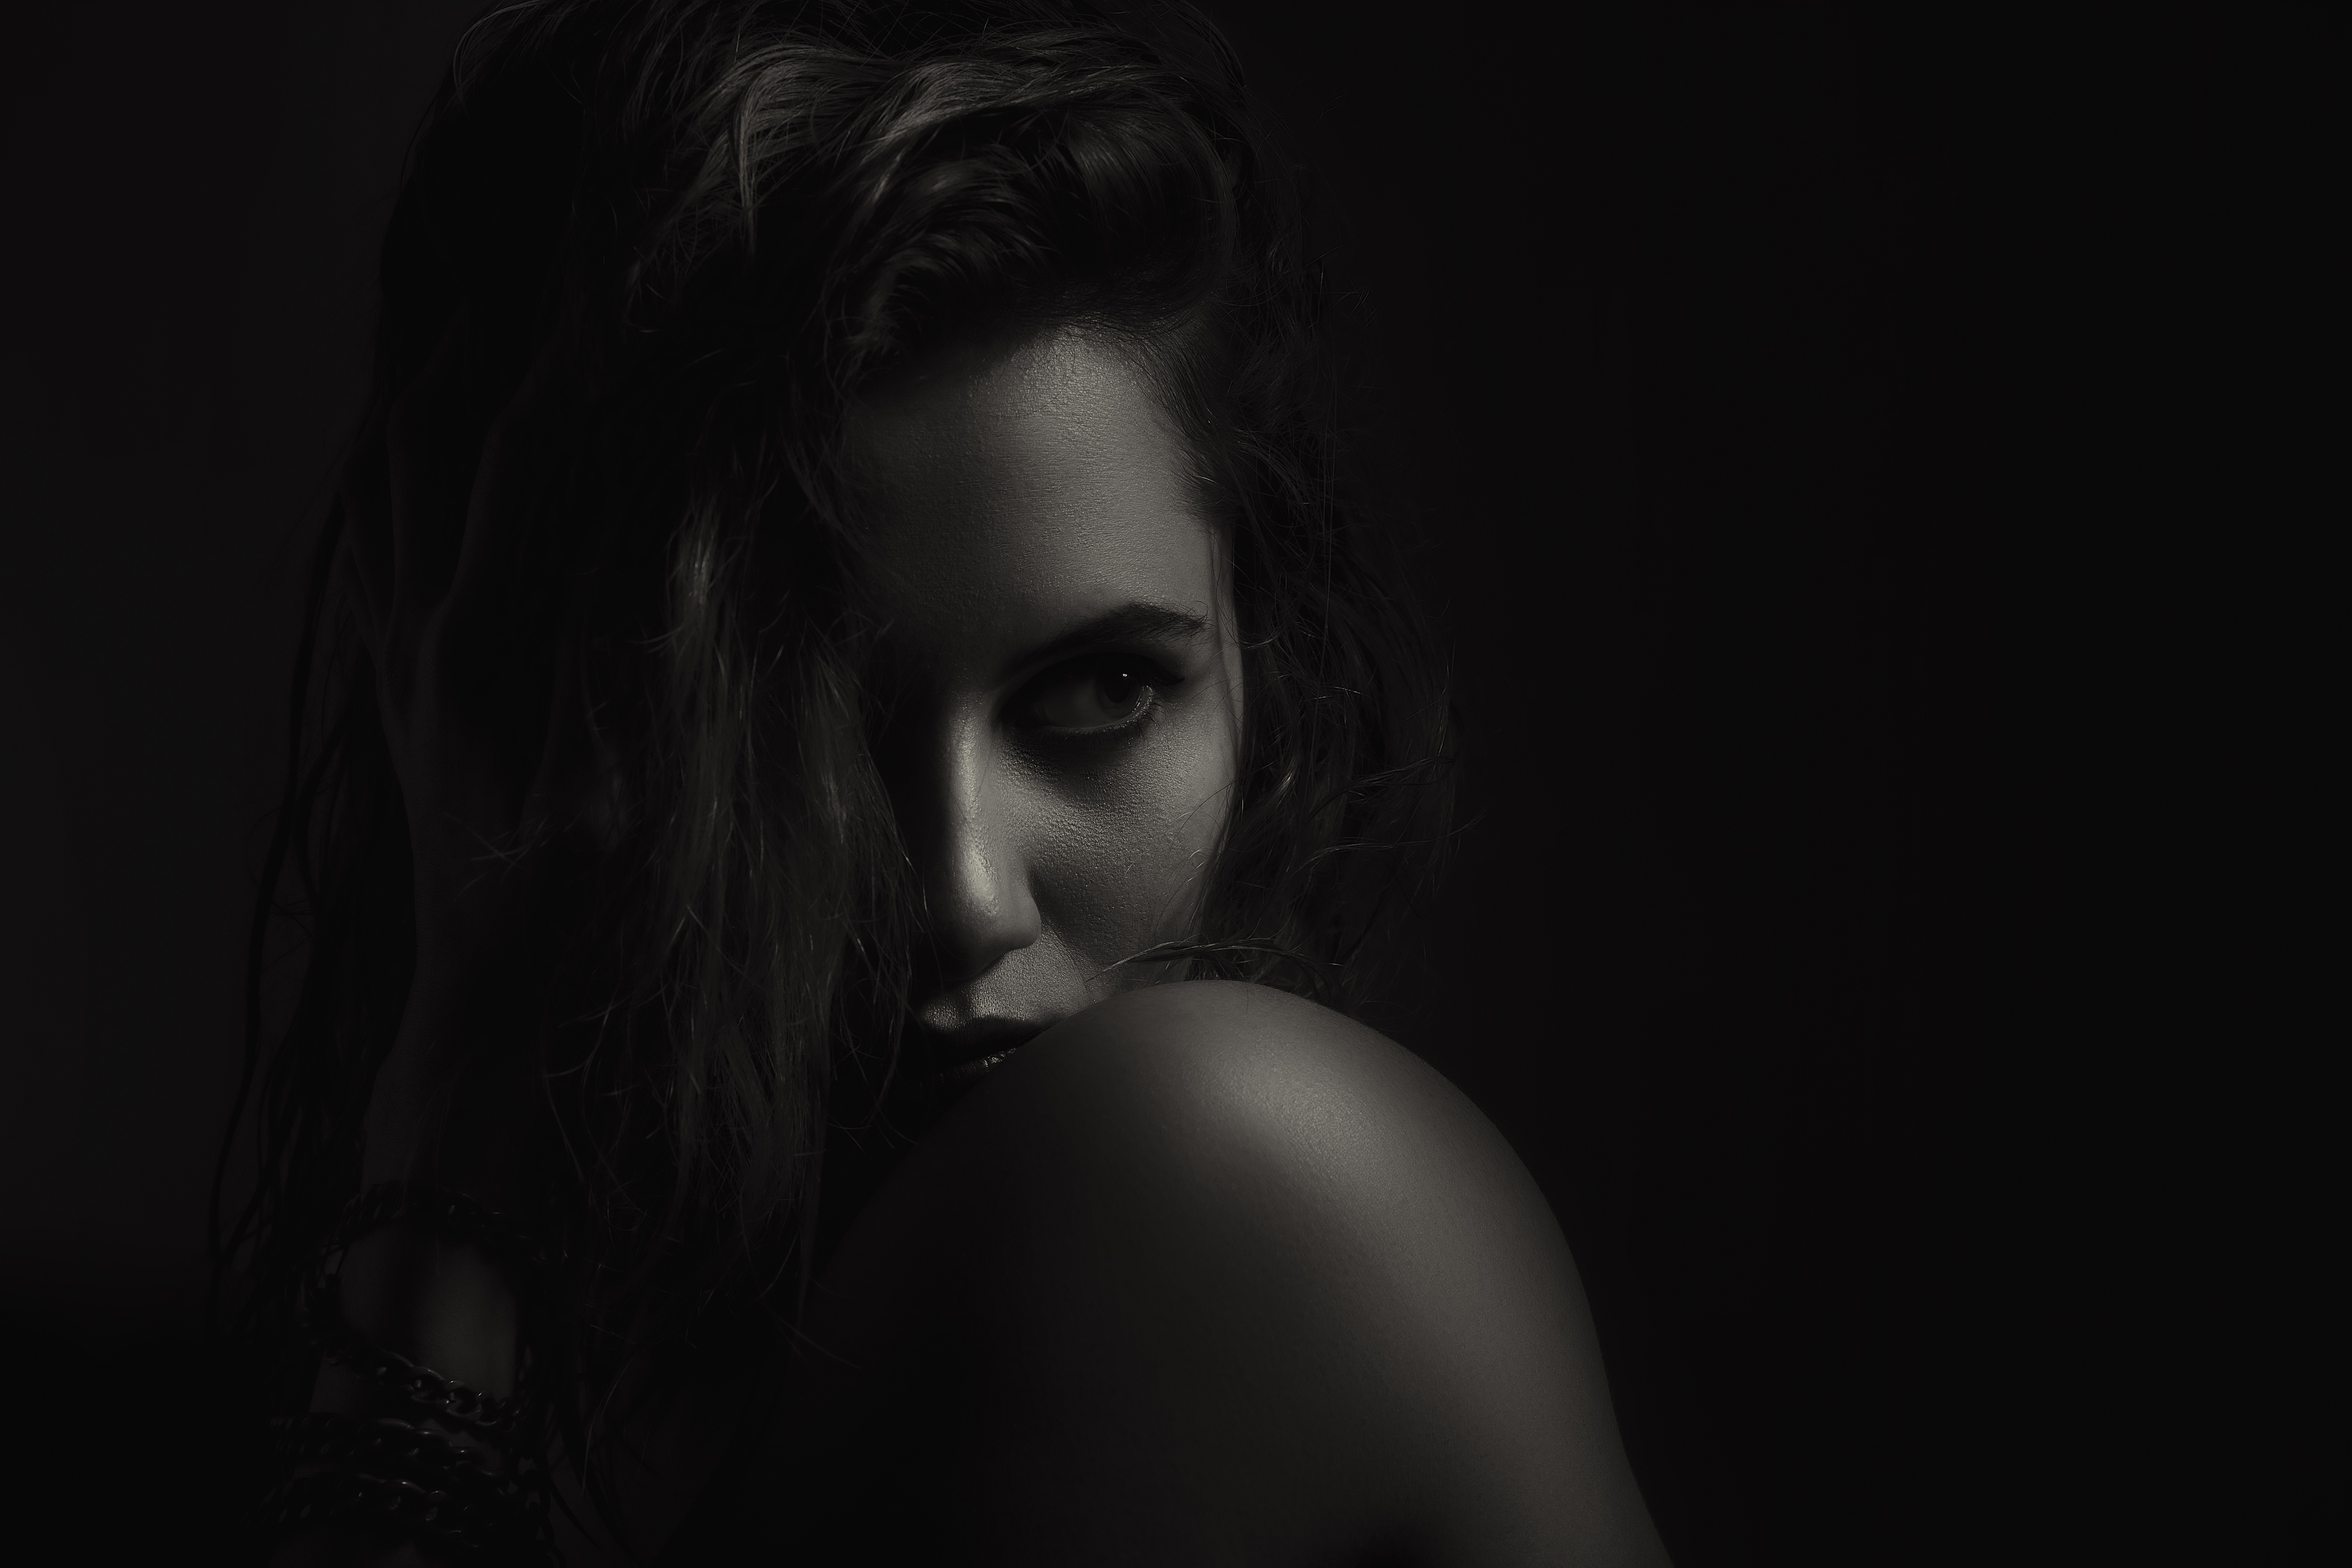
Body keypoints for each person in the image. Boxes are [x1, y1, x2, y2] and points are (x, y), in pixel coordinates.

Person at [220, 1, 1673, 1562]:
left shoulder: (1209, 1174)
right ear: (528, 720)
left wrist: (449, 1165)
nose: (960, 895)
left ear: (1266, 661)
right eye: (798, 736)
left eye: (1104, 692)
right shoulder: (666, 1380)